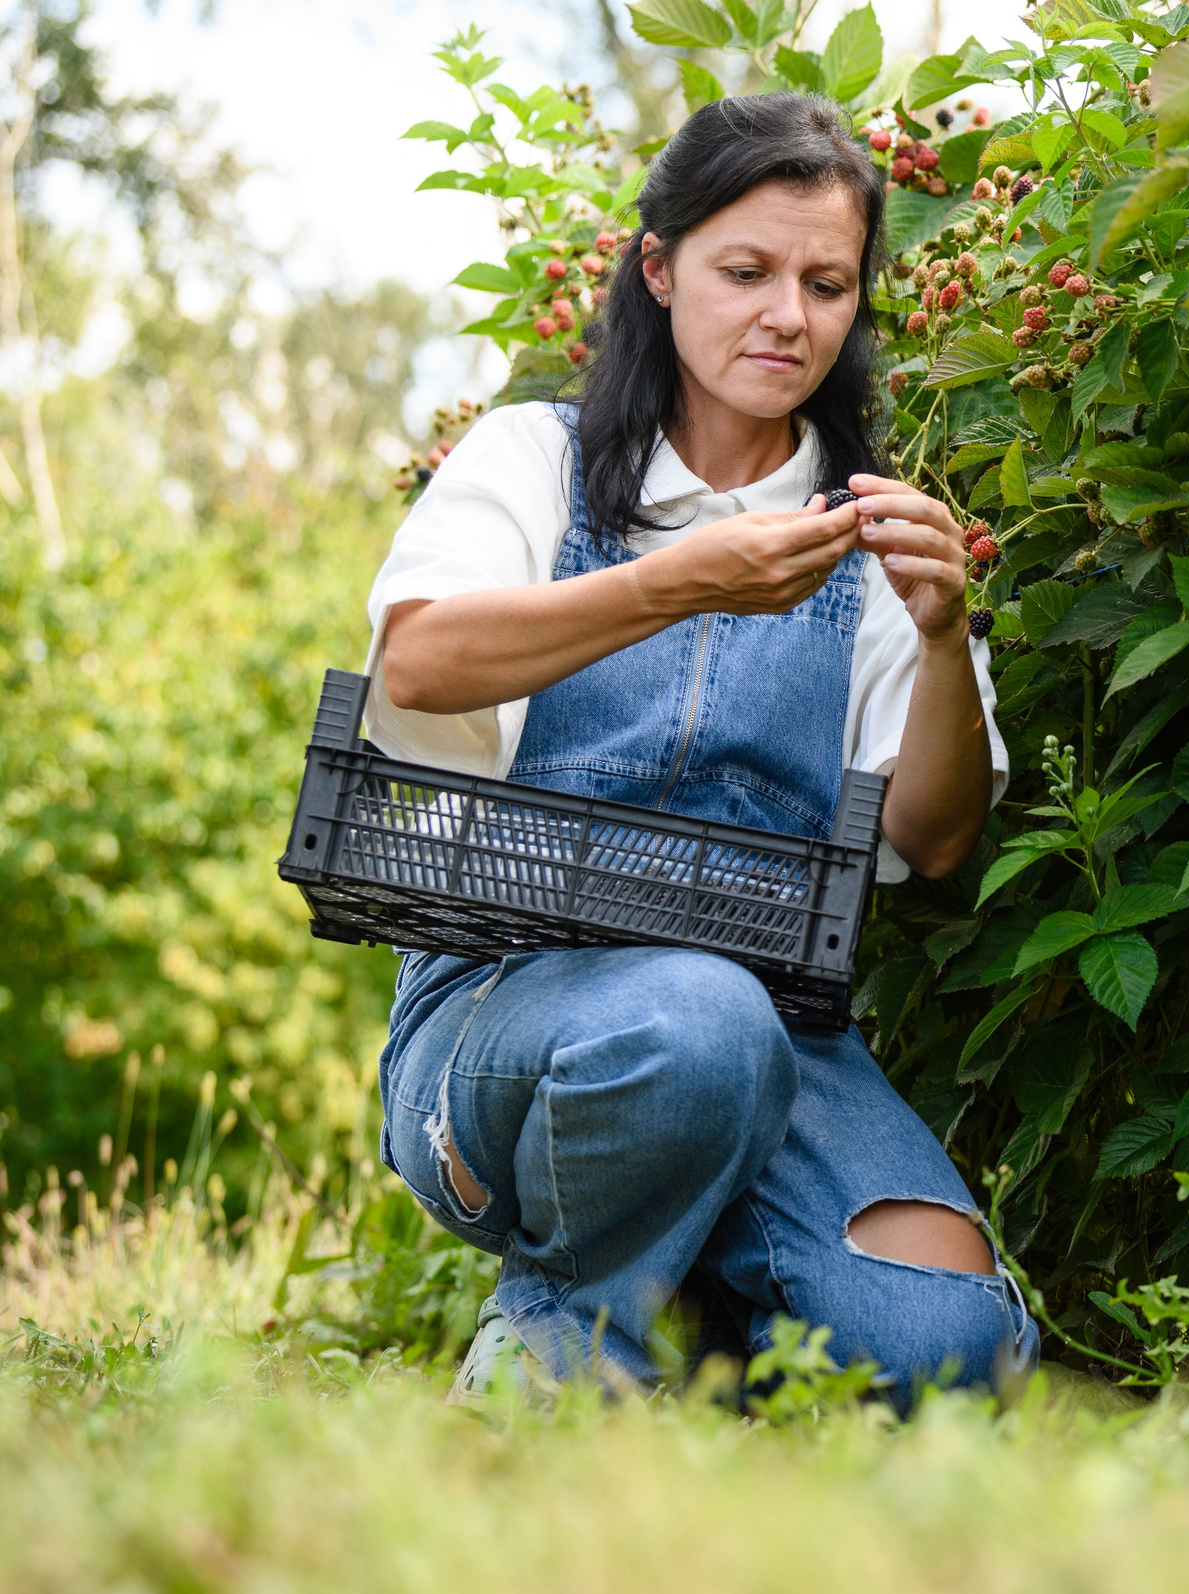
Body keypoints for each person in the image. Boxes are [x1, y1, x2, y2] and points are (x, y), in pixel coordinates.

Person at [362, 93, 1033, 1406]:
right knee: (695, 1017)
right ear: (659, 270)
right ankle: (567, 1339)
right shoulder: (533, 462)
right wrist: (678, 584)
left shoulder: (871, 539)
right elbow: (421, 660)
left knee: (947, 1350)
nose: (790, 314)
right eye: (747, 271)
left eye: (826, 283)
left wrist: (946, 631)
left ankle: (710, 1294)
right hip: (503, 1022)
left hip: (778, 1034)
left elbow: (936, 837)